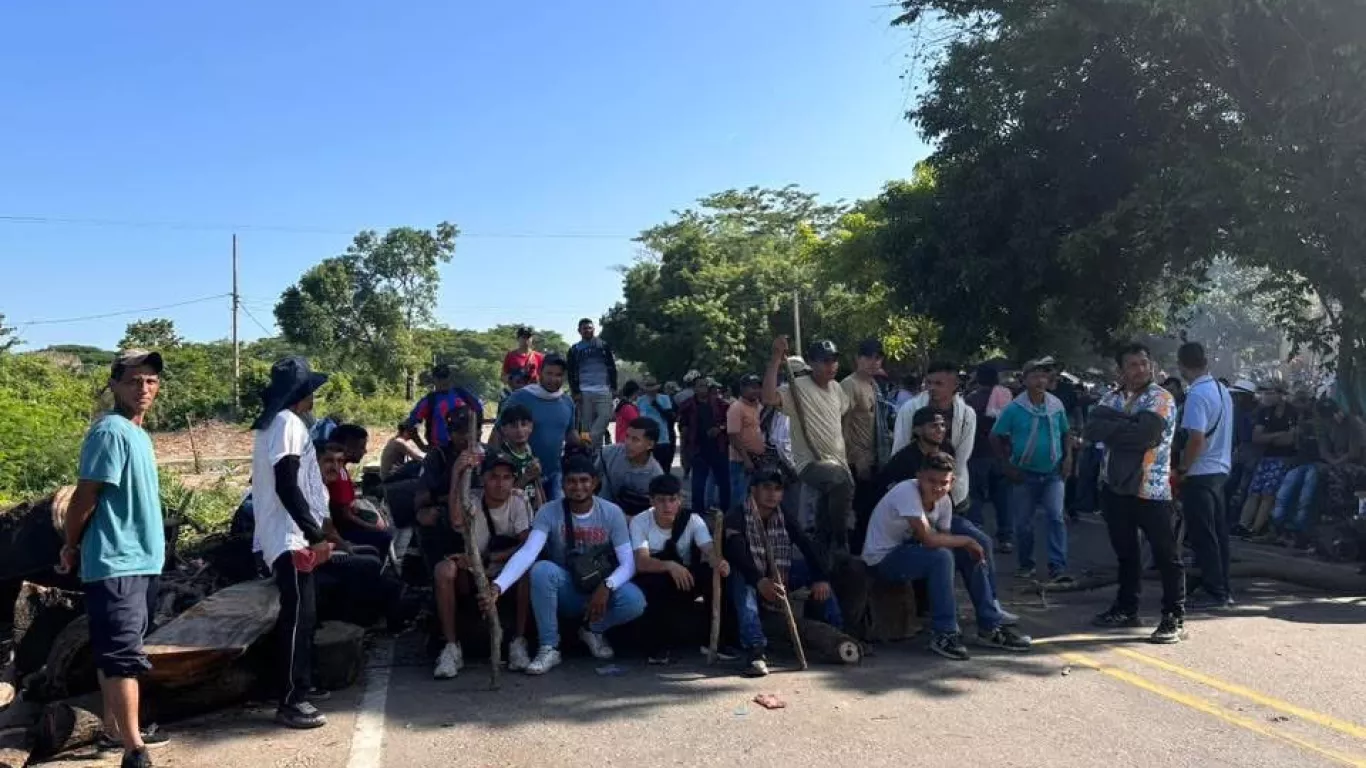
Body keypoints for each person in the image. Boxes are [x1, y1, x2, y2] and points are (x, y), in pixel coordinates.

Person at [60, 350, 171, 768]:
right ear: (114, 385)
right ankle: (134, 749)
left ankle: (113, 731)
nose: (143, 388)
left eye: (150, 381)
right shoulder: (108, 431)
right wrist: (71, 544)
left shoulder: (138, 434)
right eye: (134, 381)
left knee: (118, 650)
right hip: (116, 558)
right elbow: (85, 496)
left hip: (142, 560)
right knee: (123, 654)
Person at [480, 456, 646, 675]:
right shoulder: (548, 512)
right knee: (541, 570)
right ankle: (549, 646)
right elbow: (529, 552)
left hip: (601, 585)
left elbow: (628, 563)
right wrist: (498, 586)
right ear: (563, 484)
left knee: (635, 601)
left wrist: (607, 586)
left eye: (584, 480)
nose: (578, 487)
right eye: (571, 481)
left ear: (595, 483)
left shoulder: (612, 512)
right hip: (568, 587)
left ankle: (592, 629)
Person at [862, 452, 1031, 660]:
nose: (937, 488)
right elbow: (929, 539)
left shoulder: (944, 502)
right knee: (942, 556)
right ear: (919, 476)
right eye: (931, 481)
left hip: (911, 551)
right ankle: (944, 633)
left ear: (952, 483)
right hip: (883, 558)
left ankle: (990, 626)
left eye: (944, 483)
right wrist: (967, 541)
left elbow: (945, 538)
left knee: (967, 553)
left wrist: (968, 548)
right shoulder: (906, 492)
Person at [249, 356, 334, 729]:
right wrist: (315, 535)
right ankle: (290, 699)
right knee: (298, 618)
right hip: (290, 537)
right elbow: (287, 484)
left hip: (288, 534)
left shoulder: (274, 423)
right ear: (303, 394)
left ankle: (301, 683)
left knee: (304, 615)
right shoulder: (286, 423)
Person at [876, 408, 1017, 625]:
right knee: (948, 552)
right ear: (917, 430)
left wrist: (962, 542)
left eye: (942, 425)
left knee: (980, 543)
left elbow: (944, 515)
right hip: (908, 525)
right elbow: (922, 531)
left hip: (934, 518)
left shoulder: (946, 450)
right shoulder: (904, 461)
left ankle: (990, 612)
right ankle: (945, 625)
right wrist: (962, 541)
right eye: (933, 425)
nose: (940, 430)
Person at [1085, 343, 1186, 644]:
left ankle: (1174, 615)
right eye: (1133, 364)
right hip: (1114, 487)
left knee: (1166, 554)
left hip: (1151, 489)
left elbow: (1147, 435)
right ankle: (1126, 607)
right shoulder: (1111, 397)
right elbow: (1092, 428)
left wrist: (1115, 425)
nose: (1140, 369)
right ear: (1121, 370)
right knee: (1126, 552)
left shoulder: (1161, 398)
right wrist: (1130, 423)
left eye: (1144, 363)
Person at [722, 465, 841, 677]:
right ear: (754, 490)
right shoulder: (737, 515)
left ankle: (838, 635)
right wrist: (759, 580)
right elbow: (738, 555)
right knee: (743, 586)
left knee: (816, 576)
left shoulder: (783, 515)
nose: (772, 494)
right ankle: (756, 650)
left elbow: (806, 544)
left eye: (777, 489)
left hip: (778, 572)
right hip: (747, 576)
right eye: (766, 488)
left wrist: (820, 577)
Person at [432, 451, 535, 678]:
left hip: (504, 568)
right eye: (494, 477)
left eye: (506, 477)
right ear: (483, 479)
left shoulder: (519, 500)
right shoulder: (472, 500)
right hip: (473, 569)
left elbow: (526, 545)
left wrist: (495, 558)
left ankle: (518, 642)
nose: (500, 484)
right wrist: (456, 474)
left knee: (528, 570)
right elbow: (456, 520)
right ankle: (451, 647)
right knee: (444, 570)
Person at [762, 337, 854, 556]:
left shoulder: (836, 388)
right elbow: (768, 397)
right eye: (825, 361)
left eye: (834, 360)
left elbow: (843, 415)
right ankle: (841, 542)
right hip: (810, 463)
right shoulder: (797, 388)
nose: (831, 365)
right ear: (812, 363)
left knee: (824, 518)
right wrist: (775, 358)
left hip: (837, 462)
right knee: (841, 482)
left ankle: (821, 557)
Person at [630, 474, 729, 664]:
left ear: (680, 500)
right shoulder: (640, 522)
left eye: (672, 499)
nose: (667, 506)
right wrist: (669, 566)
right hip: (655, 579)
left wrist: (719, 561)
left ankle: (715, 641)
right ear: (652, 501)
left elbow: (708, 548)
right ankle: (657, 648)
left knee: (712, 576)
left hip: (684, 578)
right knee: (657, 583)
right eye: (661, 500)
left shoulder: (692, 520)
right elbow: (641, 562)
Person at [991, 358, 1074, 584]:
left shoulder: (1056, 405)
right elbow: (996, 436)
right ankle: (1026, 563)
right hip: (1024, 473)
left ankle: (1058, 566)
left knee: (1056, 516)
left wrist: (1068, 458)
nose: (1040, 381)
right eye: (1035, 376)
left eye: (1044, 376)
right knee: (1024, 524)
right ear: (1024, 380)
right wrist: (1006, 464)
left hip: (1053, 471)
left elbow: (1066, 432)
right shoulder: (1014, 408)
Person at [1174, 342, 1235, 608]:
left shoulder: (1196, 395)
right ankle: (1222, 586)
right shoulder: (1222, 390)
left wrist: (1183, 468)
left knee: (1203, 535)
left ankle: (1215, 591)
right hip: (1220, 469)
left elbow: (1196, 438)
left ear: (1182, 366)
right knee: (1218, 533)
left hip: (1200, 471)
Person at [893, 361, 976, 520]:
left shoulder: (967, 414)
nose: (932, 388)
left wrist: (947, 486)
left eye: (939, 384)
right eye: (929, 383)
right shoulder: (910, 409)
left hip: (953, 488)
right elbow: (900, 447)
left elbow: (962, 456)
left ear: (955, 385)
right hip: (916, 486)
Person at [495, 355, 579, 501]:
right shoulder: (520, 397)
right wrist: (493, 463)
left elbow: (571, 433)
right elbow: (498, 431)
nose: (553, 379)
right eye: (549, 373)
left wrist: (585, 445)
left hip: (555, 473)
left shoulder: (567, 402)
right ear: (540, 373)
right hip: (523, 473)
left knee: (557, 511)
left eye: (558, 375)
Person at [844, 339, 889, 555]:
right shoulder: (849, 385)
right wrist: (856, 458)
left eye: (878, 358)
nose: (873, 362)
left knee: (873, 514)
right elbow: (840, 424)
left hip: (874, 460)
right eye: (868, 357)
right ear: (857, 359)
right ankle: (854, 561)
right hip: (856, 463)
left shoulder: (874, 385)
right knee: (859, 517)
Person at [1235, 383, 1299, 536]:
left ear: (1281, 394)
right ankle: (1242, 525)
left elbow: (1289, 440)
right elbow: (1256, 437)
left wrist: (1269, 437)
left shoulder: (1292, 412)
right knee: (1254, 491)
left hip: (1283, 458)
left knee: (1268, 494)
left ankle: (1255, 529)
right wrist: (1278, 435)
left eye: (1271, 393)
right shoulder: (1264, 412)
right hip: (1265, 456)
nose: (1267, 396)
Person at [1266, 400, 1330, 546]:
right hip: (1299, 463)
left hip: (1316, 464)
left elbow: (1324, 450)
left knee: (1305, 498)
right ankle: (1277, 529)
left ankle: (1299, 533)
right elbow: (1291, 445)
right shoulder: (1298, 426)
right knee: (1283, 495)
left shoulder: (1320, 427)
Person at [964, 363, 1014, 551]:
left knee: (975, 497)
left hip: (977, 453)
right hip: (1000, 454)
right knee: (1003, 499)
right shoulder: (1006, 397)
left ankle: (977, 536)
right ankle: (1005, 538)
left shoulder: (971, 399)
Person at [322, 425, 393, 554]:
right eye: (361, 447)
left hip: (340, 527)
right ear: (347, 448)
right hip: (341, 531)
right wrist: (372, 527)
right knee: (384, 537)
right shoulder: (338, 475)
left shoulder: (341, 471)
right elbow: (344, 516)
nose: (365, 451)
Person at [679, 377, 732, 516]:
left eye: (705, 386)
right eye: (700, 386)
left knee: (724, 483)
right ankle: (697, 515)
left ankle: (726, 513)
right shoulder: (688, 405)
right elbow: (683, 427)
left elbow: (729, 422)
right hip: (698, 449)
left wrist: (719, 429)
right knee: (698, 484)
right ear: (694, 388)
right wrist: (685, 451)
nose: (703, 388)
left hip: (718, 448)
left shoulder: (720, 404)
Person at [567, 317, 619, 446]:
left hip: (604, 390)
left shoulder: (603, 345)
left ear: (594, 329)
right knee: (585, 425)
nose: (588, 331)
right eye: (585, 328)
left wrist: (614, 387)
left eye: (590, 328)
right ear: (579, 331)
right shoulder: (574, 349)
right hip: (584, 392)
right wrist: (575, 392)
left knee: (605, 417)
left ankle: (587, 441)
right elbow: (570, 372)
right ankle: (590, 451)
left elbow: (612, 367)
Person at [596, 418, 665, 515]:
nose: (628, 442)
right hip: (601, 512)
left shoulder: (655, 475)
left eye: (635, 440)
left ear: (650, 444)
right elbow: (592, 478)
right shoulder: (608, 453)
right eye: (627, 436)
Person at [408, 364, 484, 448]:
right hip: (439, 449)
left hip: (464, 446)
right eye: (440, 378)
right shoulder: (429, 400)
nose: (443, 381)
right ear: (434, 379)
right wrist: (422, 447)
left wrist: (476, 434)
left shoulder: (461, 393)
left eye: (445, 376)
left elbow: (478, 410)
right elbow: (410, 425)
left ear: (449, 377)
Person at [1317, 400, 1366, 522]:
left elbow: (1354, 453)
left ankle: (1337, 512)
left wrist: (1336, 463)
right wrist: (1332, 461)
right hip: (1335, 463)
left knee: (1336, 473)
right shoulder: (1325, 425)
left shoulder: (1353, 423)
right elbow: (1324, 450)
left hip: (1358, 464)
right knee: (1315, 472)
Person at [727, 374, 767, 510]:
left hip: (759, 459)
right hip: (741, 461)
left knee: (755, 498)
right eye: (752, 387)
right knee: (740, 497)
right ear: (742, 388)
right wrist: (746, 459)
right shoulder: (736, 408)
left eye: (758, 387)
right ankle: (735, 522)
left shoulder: (760, 407)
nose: (756, 390)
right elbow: (733, 436)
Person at [493, 403, 543, 500]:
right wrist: (526, 477)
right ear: (504, 429)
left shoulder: (529, 453)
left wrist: (543, 506)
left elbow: (537, 485)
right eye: (513, 426)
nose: (519, 430)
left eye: (523, 424)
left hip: (531, 507)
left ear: (531, 427)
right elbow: (501, 494)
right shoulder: (501, 458)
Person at [636, 375, 677, 471]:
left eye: (653, 389)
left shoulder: (664, 398)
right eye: (649, 389)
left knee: (664, 468)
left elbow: (670, 417)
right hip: (646, 440)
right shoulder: (640, 400)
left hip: (662, 438)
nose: (651, 391)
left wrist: (657, 406)